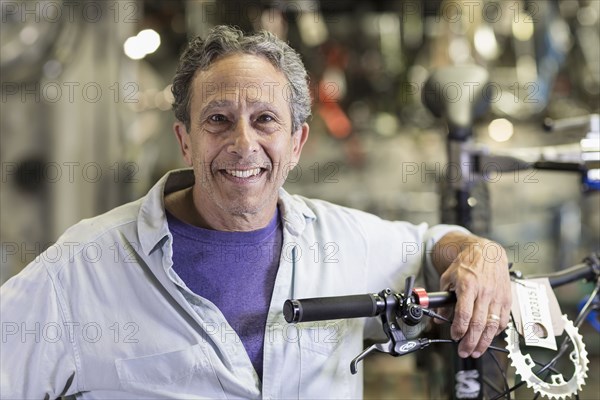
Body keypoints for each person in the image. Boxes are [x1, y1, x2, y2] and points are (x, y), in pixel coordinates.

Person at [0, 25, 511, 399]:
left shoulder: (343, 242)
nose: (243, 144)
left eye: (265, 120)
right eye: (218, 120)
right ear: (185, 140)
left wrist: (477, 251)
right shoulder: (81, 269)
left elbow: (430, 245)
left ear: (296, 143)